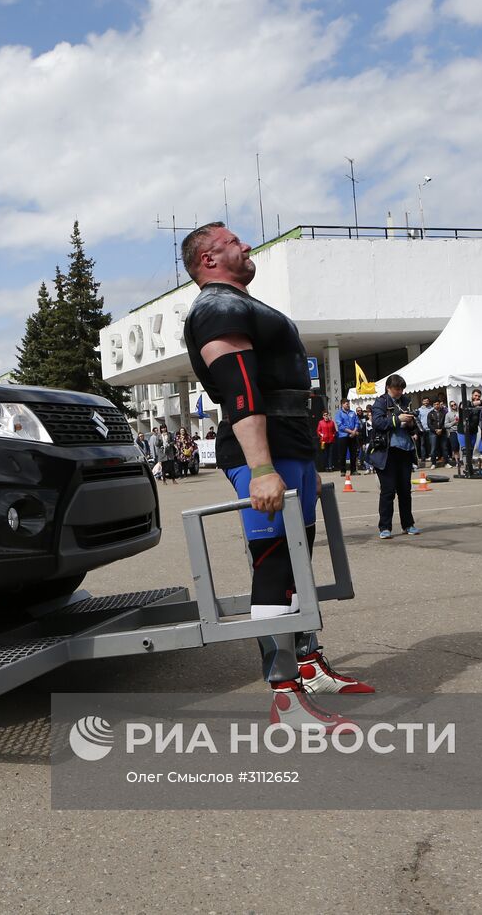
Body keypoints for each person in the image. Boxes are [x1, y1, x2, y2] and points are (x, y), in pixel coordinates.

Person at [181, 221, 372, 728]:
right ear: (208, 260)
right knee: (274, 563)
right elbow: (240, 391)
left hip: (291, 443)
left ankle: (308, 667)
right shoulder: (216, 307)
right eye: (232, 242)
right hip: (264, 451)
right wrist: (261, 468)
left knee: (297, 563)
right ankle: (285, 699)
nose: (246, 245)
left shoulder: (240, 304)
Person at [369, 374, 421, 539]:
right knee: (388, 491)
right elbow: (377, 423)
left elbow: (414, 428)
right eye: (397, 389)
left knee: (405, 491)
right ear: (388, 388)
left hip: (405, 451)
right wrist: (397, 419)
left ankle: (408, 524)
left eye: (401, 389)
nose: (399, 392)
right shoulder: (381, 402)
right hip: (386, 452)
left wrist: (411, 423)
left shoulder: (406, 401)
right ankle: (385, 527)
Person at [333, 401, 359, 477]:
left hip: (352, 436)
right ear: (342, 404)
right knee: (342, 454)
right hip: (343, 436)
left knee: (353, 454)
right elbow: (340, 425)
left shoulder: (353, 413)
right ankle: (343, 471)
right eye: (346, 404)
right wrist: (351, 431)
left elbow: (357, 422)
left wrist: (354, 431)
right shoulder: (339, 414)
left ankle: (353, 470)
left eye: (348, 404)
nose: (348, 405)